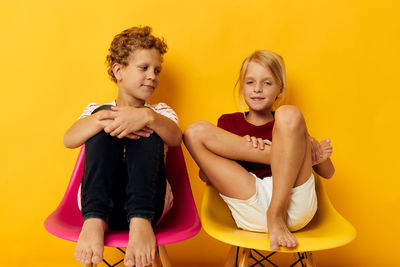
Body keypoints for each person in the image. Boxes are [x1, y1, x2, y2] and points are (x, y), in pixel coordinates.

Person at [183, 50, 334, 251]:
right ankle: (282, 157)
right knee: (195, 131)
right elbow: (206, 175)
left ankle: (276, 213)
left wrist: (309, 144)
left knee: (289, 113)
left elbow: (328, 173)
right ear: (242, 87)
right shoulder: (229, 123)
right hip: (250, 201)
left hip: (294, 201)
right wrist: (241, 147)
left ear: (280, 90)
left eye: (267, 83)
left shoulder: (289, 126)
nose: (257, 89)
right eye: (250, 82)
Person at [63, 26, 181, 267]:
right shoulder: (96, 110)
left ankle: (139, 220)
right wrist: (103, 118)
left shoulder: (161, 112)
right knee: (104, 115)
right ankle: (94, 220)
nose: (153, 76)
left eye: (157, 70)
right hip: (99, 203)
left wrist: (147, 117)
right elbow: (69, 140)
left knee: (148, 118)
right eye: (144, 68)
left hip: (149, 206)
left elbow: (176, 138)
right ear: (119, 71)